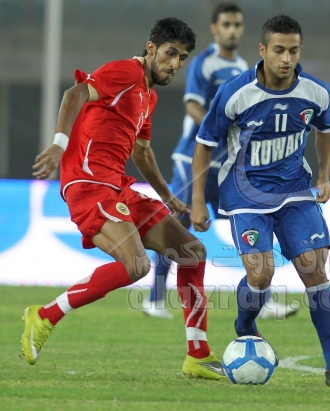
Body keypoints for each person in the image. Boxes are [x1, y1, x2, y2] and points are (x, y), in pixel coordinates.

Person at [21, 18, 227, 380]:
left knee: (191, 252)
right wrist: (58, 144)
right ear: (151, 48)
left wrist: (168, 197)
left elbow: (142, 152)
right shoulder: (124, 73)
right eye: (170, 54)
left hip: (117, 187)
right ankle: (45, 315)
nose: (174, 64)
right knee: (136, 266)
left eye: (181, 58)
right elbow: (74, 94)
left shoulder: (149, 96)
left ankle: (198, 355)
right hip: (88, 183)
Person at [191, 15, 330, 387]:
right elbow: (204, 144)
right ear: (262, 50)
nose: (286, 58)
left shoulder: (316, 92)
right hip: (245, 194)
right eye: (279, 50)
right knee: (261, 274)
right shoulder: (235, 92)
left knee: (314, 270)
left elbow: (326, 131)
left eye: (293, 51)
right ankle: (245, 323)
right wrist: (198, 200)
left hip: (295, 191)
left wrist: (325, 175)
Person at [143, 2, 299, 321]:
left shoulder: (243, 66)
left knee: (251, 222)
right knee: (177, 226)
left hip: (227, 166)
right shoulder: (204, 63)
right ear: (215, 29)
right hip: (193, 160)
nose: (232, 30)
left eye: (237, 25)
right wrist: (224, 132)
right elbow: (192, 106)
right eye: (226, 24)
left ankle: (264, 298)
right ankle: (154, 298)